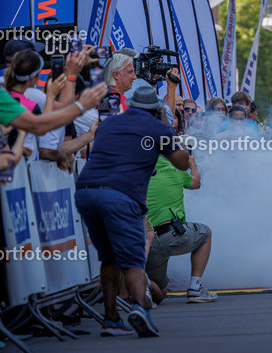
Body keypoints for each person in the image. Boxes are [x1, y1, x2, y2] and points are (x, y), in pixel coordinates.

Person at [75, 84, 190, 338]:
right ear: (155, 110)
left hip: (85, 191)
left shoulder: (108, 123)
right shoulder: (157, 126)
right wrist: (167, 128)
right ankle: (139, 308)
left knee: (109, 258)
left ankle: (111, 318)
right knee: (134, 257)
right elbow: (182, 162)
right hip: (120, 195)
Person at [145, 150, 217, 304]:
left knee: (160, 294)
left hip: (145, 241)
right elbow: (196, 183)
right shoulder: (177, 168)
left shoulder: (139, 169)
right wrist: (192, 164)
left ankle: (141, 280)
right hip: (171, 235)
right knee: (205, 233)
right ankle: (195, 288)